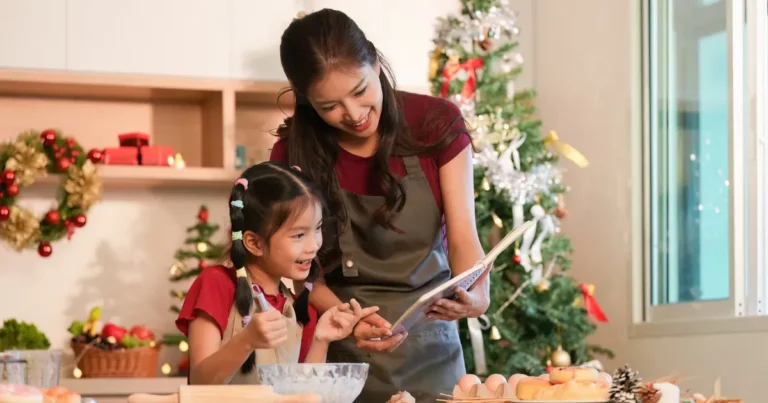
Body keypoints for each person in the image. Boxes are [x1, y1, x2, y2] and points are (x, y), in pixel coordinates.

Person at [270, 9, 490, 402]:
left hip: (433, 348)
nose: (353, 115)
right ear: (306, 101)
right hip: (342, 359)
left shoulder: (435, 124)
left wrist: (479, 292)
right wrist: (350, 321)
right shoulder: (293, 152)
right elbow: (302, 270)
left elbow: (462, 237)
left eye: (359, 91)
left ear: (374, 60)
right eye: (329, 107)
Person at [175, 161, 378, 385]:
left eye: (318, 228)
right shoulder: (217, 284)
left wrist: (321, 339)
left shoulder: (301, 308)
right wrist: (246, 340)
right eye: (299, 235)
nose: (314, 245)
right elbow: (200, 383)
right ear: (254, 243)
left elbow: (303, 394)